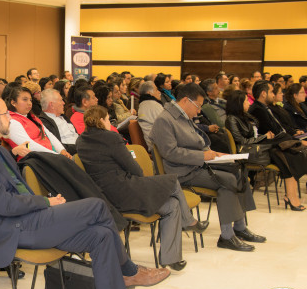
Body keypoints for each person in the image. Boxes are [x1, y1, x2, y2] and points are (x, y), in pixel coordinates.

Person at [0, 94, 171, 289]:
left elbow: (13, 191)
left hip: (26, 219)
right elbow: (3, 205)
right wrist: (45, 202)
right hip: (9, 229)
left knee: (101, 235)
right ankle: (129, 270)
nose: (10, 119)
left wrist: (44, 206)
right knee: (96, 207)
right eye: (5, 115)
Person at [77, 105, 208, 269]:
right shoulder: (111, 138)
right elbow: (136, 170)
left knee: (173, 205)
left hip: (105, 195)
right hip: (124, 190)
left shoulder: (80, 141)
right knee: (172, 181)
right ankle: (188, 221)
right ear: (102, 120)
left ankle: (171, 257)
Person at [150, 83, 266, 252]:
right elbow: (170, 153)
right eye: (198, 106)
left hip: (197, 165)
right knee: (227, 181)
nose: (199, 111)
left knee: (238, 170)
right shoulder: (165, 120)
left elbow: (197, 142)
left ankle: (239, 228)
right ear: (185, 101)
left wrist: (213, 154)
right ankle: (228, 235)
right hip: (182, 172)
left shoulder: (183, 116)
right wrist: (202, 156)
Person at [225, 90, 306, 211]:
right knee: (284, 149)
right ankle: (291, 196)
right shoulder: (231, 119)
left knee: (290, 155)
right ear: (238, 103)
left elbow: (255, 134)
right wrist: (264, 137)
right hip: (249, 152)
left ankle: (290, 195)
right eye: (246, 101)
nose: (248, 103)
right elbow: (241, 141)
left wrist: (264, 136)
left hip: (259, 147)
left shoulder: (246, 116)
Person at [3, 86, 70, 159]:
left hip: (50, 156)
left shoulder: (32, 117)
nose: (29, 103)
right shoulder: (12, 122)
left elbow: (48, 134)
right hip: (34, 160)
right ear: (13, 102)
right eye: (25, 100)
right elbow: (29, 145)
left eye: (30, 100)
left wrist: (62, 151)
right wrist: (56, 155)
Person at [39, 89, 78, 155]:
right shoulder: (44, 122)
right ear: (52, 105)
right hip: (70, 154)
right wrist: (81, 147)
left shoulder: (63, 117)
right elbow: (57, 146)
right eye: (61, 100)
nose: (64, 103)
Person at [137, 81, 163, 146]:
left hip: (156, 144)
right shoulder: (153, 105)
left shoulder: (143, 104)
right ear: (149, 93)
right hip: (158, 147)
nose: (159, 92)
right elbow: (167, 124)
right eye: (156, 90)